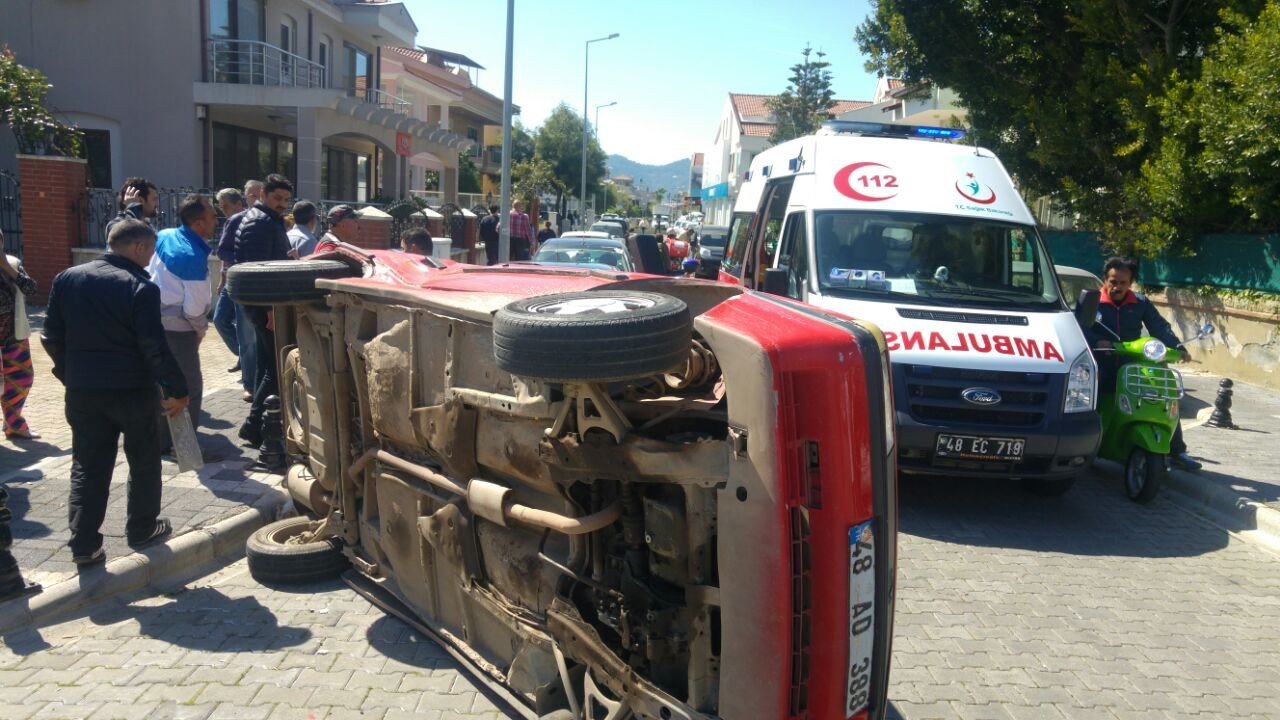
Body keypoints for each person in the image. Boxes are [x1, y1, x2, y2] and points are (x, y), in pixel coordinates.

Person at [42, 219, 190, 566]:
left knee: (88, 466)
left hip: (83, 391)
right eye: (151, 251)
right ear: (138, 247)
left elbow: (50, 336)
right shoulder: (140, 286)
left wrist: (70, 374)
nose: (151, 258)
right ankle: (141, 528)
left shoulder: (68, 277)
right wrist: (176, 390)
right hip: (131, 391)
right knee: (143, 461)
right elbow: (154, 346)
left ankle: (84, 545)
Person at [1085, 256, 1202, 471]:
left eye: (1122, 283)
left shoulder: (1140, 303)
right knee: (1086, 398)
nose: (1116, 287)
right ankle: (1083, 446)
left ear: (1130, 283)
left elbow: (1159, 327)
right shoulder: (1093, 302)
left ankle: (1177, 451)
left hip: (1132, 364)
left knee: (1163, 394)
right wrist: (1095, 341)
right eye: (1112, 281)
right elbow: (1079, 327)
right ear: (1105, 279)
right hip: (1100, 363)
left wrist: (1178, 347)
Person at [149, 195, 215, 454]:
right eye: (211, 215)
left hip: (154, 321)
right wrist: (200, 331)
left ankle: (160, 440)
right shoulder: (191, 255)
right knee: (187, 387)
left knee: (161, 383)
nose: (215, 220)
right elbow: (194, 308)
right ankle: (182, 447)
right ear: (198, 223)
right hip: (178, 330)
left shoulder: (164, 234)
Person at [234, 174, 293, 449]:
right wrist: (270, 309)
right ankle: (254, 425)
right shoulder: (260, 222)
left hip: (264, 303)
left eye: (285, 200)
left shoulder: (265, 220)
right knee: (273, 368)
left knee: (267, 365)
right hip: (265, 305)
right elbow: (259, 269)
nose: (282, 204)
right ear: (263, 195)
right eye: (277, 198)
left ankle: (255, 425)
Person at [0, 230, 38, 439]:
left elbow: (32, 289)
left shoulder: (13, 263)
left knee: (21, 379)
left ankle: (14, 424)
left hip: (13, 335)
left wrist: (7, 267)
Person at [212, 188, 245, 368]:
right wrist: (222, 280)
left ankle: (246, 358)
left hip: (243, 281)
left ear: (238, 204)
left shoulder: (247, 222)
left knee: (242, 324)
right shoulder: (230, 223)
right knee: (220, 319)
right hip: (230, 280)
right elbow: (224, 254)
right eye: (221, 207)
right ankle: (243, 354)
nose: (223, 211)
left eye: (226, 206)